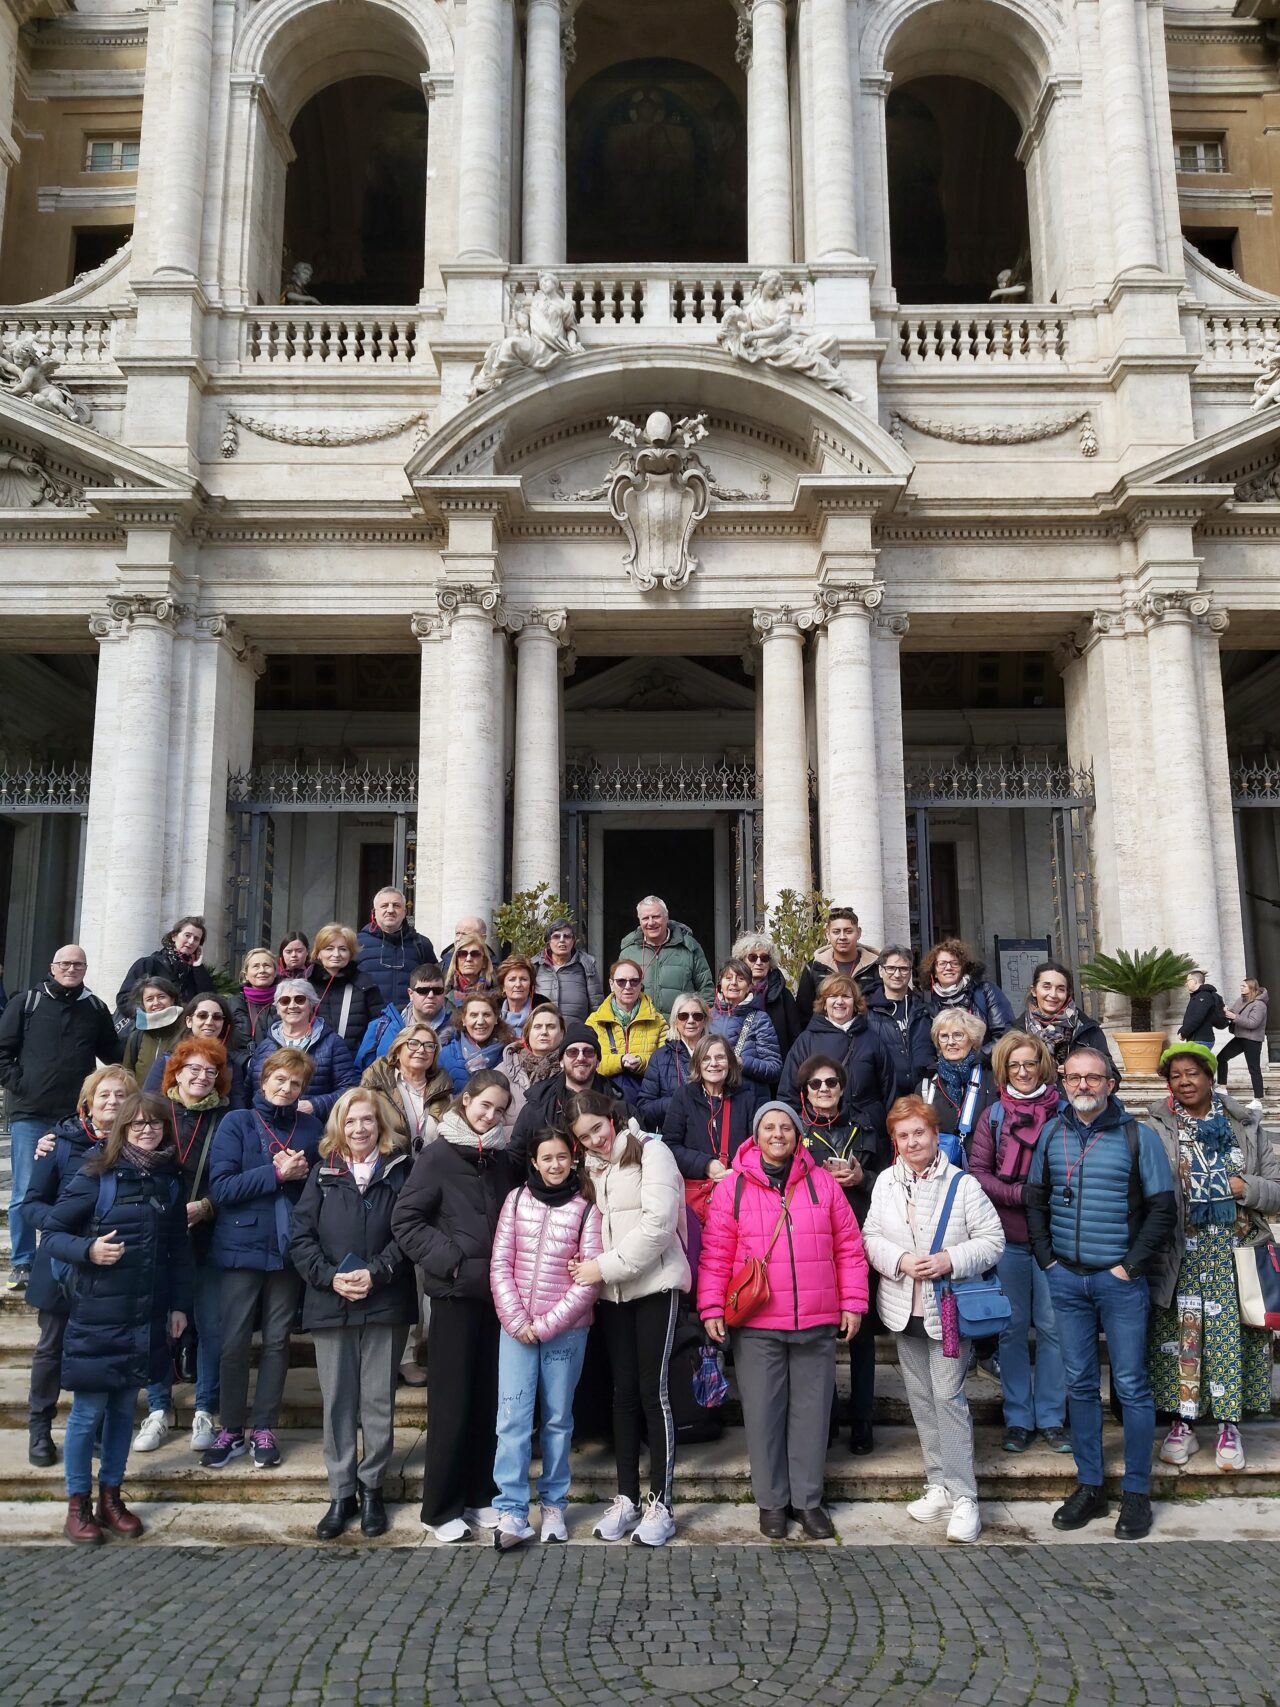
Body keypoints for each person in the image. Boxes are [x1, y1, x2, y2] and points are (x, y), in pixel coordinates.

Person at [1025, 1046, 1178, 1539]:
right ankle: (1089, 1485)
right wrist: (1047, 1260)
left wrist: (1129, 1266)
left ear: (1111, 1083)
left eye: (1094, 1078)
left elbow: (1162, 1209)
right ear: (1063, 1083)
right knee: (1079, 1385)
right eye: (1074, 1078)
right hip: (1065, 1281)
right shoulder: (1051, 1132)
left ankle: (1136, 1493)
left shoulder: (1139, 1136)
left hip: (1119, 1283)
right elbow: (1034, 1201)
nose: (1084, 1086)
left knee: (1131, 1386)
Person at [699, 1099, 868, 1539]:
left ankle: (808, 1501)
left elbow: (849, 1248)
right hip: (757, 1324)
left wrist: (852, 1303)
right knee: (763, 1415)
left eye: (786, 1127)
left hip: (815, 1320)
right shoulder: (732, 1186)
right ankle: (771, 1503)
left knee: (812, 1416)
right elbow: (715, 1254)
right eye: (769, 1127)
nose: (778, 1134)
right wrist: (712, 1307)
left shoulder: (823, 1185)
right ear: (756, 1136)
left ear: (798, 1136)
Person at [40, 1090, 192, 1544]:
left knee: (125, 1410)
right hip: (98, 1313)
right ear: (123, 1128)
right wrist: (88, 1250)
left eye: (156, 1123)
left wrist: (180, 1305)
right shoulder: (96, 1174)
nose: (148, 1130)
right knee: (87, 1414)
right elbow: (51, 1232)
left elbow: (179, 1250)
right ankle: (78, 1503)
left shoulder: (169, 1180)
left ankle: (112, 1496)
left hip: (146, 1312)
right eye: (138, 1123)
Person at [862, 1095, 1005, 1544]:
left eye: (918, 1132)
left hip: (947, 1310)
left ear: (933, 1132)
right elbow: (870, 1236)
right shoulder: (885, 1182)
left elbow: (993, 1240)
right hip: (904, 1307)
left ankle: (966, 1497)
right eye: (902, 1136)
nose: (911, 1142)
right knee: (922, 1400)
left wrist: (948, 1259)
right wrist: (901, 1259)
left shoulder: (962, 1185)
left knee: (949, 1399)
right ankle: (939, 1483)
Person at [391, 1069, 523, 1542]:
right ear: (465, 1101)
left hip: (498, 1298)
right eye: (484, 1105)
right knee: (450, 1403)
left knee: (489, 1398)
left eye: (499, 1110)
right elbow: (406, 1220)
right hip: (454, 1296)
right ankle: (441, 1506)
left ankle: (480, 1495)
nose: (490, 1115)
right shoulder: (439, 1156)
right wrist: (452, 1262)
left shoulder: (503, 1159)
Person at [1146, 1042, 1280, 1474]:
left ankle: (1228, 1427)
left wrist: (1248, 1189)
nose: (1185, 1082)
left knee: (1233, 1341)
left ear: (1210, 1077)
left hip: (1236, 1254)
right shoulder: (1155, 1127)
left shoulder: (1247, 1125)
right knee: (1182, 1340)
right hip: (1182, 1255)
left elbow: (1277, 1187)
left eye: (1193, 1073)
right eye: (1176, 1076)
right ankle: (1183, 1424)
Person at [290, 1087, 417, 1539]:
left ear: (380, 1124)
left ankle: (371, 1490)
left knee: (378, 1401)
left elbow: (408, 1231)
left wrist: (378, 1271)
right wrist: (329, 1277)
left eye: (367, 1120)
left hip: (385, 1299)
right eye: (350, 1121)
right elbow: (300, 1237)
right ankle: (340, 1492)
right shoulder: (323, 1171)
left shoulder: (402, 1169)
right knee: (338, 1401)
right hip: (330, 1301)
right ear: (338, 1126)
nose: (359, 1128)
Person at [566, 1090, 691, 1548]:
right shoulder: (594, 1169)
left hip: (655, 1286)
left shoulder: (652, 1152)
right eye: (584, 1137)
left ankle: (662, 1503)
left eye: (598, 1128)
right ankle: (627, 1497)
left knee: (652, 1391)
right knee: (621, 1396)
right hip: (613, 1295)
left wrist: (605, 1268)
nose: (595, 1140)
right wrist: (591, 1265)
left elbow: (658, 1225)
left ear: (613, 1118)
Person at [203, 1047, 324, 1470]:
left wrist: (301, 1178)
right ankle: (231, 1427)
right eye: (280, 1079)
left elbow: (321, 1192)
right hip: (240, 1247)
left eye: (295, 1083)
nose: (286, 1088)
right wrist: (274, 1174)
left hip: (288, 1250)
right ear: (263, 1078)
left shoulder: (311, 1129)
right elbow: (222, 1189)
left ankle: (265, 1426)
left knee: (277, 1341)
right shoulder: (236, 1122)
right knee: (234, 1341)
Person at [489, 1128, 604, 1548]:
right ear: (534, 1162)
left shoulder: (586, 1209)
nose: (555, 1165)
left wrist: (547, 1324)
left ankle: (553, 1503)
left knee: (557, 1419)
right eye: (546, 1158)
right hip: (516, 1327)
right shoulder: (516, 1201)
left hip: (566, 1330)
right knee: (513, 1419)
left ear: (572, 1160)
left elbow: (588, 1279)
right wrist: (518, 1319)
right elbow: (500, 1262)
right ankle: (513, 1509)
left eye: (562, 1157)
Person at [22, 1064, 137, 1467]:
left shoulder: (137, 1148)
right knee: (51, 1347)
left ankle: (100, 1429)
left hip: (112, 1268)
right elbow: (30, 1204)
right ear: (88, 1102)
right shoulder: (60, 1145)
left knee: (104, 1350)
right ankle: (40, 1426)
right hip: (61, 1265)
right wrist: (68, 1236)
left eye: (121, 1096)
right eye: (104, 1095)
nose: (112, 1102)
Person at [0, 944, 121, 1292]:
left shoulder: (95, 1008)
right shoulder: (26, 1003)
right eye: (65, 963)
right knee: (25, 1190)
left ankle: (58, 1258)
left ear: (85, 968)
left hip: (75, 1118)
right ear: (52, 967)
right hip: (31, 1112)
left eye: (78, 964)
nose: (71, 969)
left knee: (72, 1190)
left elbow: (113, 1053)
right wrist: (20, 1084)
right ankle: (22, 1261)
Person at [134, 1038, 235, 1456]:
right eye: (193, 1068)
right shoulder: (155, 1112)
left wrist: (207, 1205)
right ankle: (158, 1408)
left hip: (209, 1232)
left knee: (210, 1325)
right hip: (160, 1233)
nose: (201, 1076)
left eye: (210, 1071)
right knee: (162, 1322)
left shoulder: (228, 1116)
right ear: (176, 1071)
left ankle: (206, 1409)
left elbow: (233, 1172)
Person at [968, 1032, 1068, 1453]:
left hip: (1056, 1240)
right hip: (1007, 1238)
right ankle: (1018, 1417)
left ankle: (1051, 1416)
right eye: (1014, 1066)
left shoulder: (1063, 1112)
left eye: (1030, 1064)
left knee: (1052, 1330)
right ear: (1003, 1071)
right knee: (1009, 1331)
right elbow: (978, 1172)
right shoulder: (993, 1115)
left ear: (1041, 1066)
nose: (1023, 1072)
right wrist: (1019, 1194)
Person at [791, 1053, 890, 1454]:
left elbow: (887, 1180)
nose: (824, 1090)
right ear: (805, 1092)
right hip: (814, 1247)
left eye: (831, 1083)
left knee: (862, 1338)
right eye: (816, 1085)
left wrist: (861, 1177)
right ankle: (828, 1416)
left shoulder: (865, 1126)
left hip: (858, 1241)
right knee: (821, 1340)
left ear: (842, 1087)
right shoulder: (794, 1133)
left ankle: (862, 1420)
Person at [778, 975, 898, 1146]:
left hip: (868, 1133)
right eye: (833, 996)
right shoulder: (806, 1041)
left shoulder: (872, 1040)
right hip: (821, 1132)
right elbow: (788, 1093)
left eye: (846, 997)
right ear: (823, 1004)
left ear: (855, 1004)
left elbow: (890, 1090)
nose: (839, 1002)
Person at [248, 979, 359, 1120]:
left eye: (300, 1000)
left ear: (311, 1004)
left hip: (316, 1127)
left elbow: (350, 1089)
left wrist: (315, 1106)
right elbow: (251, 1090)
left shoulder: (333, 1043)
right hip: (269, 1128)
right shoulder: (264, 1046)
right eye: (285, 1001)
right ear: (277, 1008)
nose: (292, 1005)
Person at [662, 1034, 758, 1187]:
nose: (713, 1064)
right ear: (698, 1064)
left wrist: (738, 1170)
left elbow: (757, 1146)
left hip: (739, 1186)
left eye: (720, 1057)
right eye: (706, 1058)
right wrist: (705, 1165)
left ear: (730, 1063)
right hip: (698, 1192)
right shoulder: (683, 1096)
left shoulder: (746, 1097)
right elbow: (669, 1146)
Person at [510, 1020, 623, 1147]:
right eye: (572, 1052)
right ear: (561, 1061)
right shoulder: (538, 1105)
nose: (580, 1058)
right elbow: (516, 1155)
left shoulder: (617, 1102)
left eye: (589, 1052)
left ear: (597, 1061)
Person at [1010, 960, 1118, 1082]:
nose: (1053, 994)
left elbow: (1113, 1077)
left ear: (1067, 993)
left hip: (1078, 1099)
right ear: (1034, 991)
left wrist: (1082, 1071)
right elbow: (1002, 1076)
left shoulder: (1087, 1029)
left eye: (1060, 989)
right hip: (1033, 1100)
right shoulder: (1017, 1032)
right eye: (1046, 987)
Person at [917, 1010, 999, 1161]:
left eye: (958, 1035)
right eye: (944, 1036)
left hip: (981, 1169)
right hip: (938, 1172)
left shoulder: (991, 1081)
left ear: (972, 1039)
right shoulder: (926, 1085)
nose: (951, 1042)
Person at [141, 992, 247, 1108]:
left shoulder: (231, 1066)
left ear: (224, 1024)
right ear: (189, 1021)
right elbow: (148, 1105)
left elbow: (237, 1110)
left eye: (216, 1017)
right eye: (202, 1016)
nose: (209, 1022)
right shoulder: (167, 1061)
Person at [587, 959, 668, 1107]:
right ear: (611, 985)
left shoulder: (658, 1021)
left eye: (634, 981)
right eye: (621, 981)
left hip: (647, 1097)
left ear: (640, 984)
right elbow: (587, 1063)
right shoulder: (594, 1021)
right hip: (604, 1098)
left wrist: (641, 1061)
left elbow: (666, 1064)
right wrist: (620, 1061)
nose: (628, 987)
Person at [362, 1023, 451, 1149]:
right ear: (397, 1051)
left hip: (433, 1166)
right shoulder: (375, 1088)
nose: (421, 1050)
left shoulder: (445, 1092)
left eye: (429, 1046)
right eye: (413, 1043)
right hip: (389, 1165)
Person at [619, 895, 713, 1012]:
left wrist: (700, 1019)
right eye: (645, 918)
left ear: (666, 917)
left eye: (656, 917)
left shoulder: (690, 947)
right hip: (640, 1027)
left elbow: (706, 989)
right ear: (639, 920)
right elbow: (618, 993)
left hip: (680, 1027)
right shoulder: (628, 952)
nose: (651, 922)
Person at [919, 938, 1014, 1053]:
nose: (948, 968)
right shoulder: (930, 1008)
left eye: (955, 963)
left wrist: (979, 1058)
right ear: (934, 971)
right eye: (942, 963)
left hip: (986, 1067)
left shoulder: (985, 991)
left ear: (963, 968)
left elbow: (1005, 1035)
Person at [864, 945, 935, 1096]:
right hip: (884, 1095)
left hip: (923, 1093)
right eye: (890, 968)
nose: (897, 974)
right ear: (881, 971)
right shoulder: (866, 1011)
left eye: (903, 969)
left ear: (910, 972)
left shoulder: (924, 1010)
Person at [354, 962, 453, 1069]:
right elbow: (361, 1070)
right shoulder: (382, 1025)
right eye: (423, 991)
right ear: (410, 994)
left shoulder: (456, 1030)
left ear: (444, 993)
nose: (430, 996)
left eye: (437, 990)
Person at [308, 923, 387, 1053]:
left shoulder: (365, 985)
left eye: (343, 949)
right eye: (329, 948)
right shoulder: (305, 984)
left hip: (353, 1063)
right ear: (318, 953)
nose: (336, 954)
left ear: (350, 954)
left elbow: (379, 1028)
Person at [115, 915, 216, 1014]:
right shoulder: (148, 964)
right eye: (187, 935)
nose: (191, 941)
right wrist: (148, 1017)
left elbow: (209, 1001)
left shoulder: (195, 972)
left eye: (196, 939)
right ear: (174, 936)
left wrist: (198, 967)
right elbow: (124, 999)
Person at [796, 907, 880, 1025]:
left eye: (848, 931)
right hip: (825, 1037)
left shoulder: (876, 966)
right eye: (836, 932)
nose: (842, 937)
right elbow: (803, 1013)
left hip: (867, 1035)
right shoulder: (814, 968)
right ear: (827, 934)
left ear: (859, 933)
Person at [356, 888, 437, 1010]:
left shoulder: (421, 944)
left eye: (396, 906)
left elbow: (434, 983)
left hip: (410, 1021)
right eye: (384, 906)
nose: (390, 910)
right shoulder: (357, 943)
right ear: (374, 912)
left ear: (404, 912)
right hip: (369, 1020)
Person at [708, 957, 781, 1091]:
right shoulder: (707, 1017)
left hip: (749, 1096)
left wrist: (742, 1062)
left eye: (740, 979)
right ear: (720, 984)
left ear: (749, 987)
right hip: (714, 1096)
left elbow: (774, 1069)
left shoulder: (760, 1019)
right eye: (728, 978)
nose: (734, 983)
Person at [637, 994, 709, 1128]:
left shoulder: (717, 1052)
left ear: (704, 1020)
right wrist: (675, 1102)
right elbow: (644, 1109)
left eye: (697, 1016)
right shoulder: (659, 1057)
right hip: (674, 1133)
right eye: (683, 1016)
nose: (691, 1020)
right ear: (675, 1021)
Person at [731, 931, 803, 1060]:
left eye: (764, 958)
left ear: (770, 963)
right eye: (753, 957)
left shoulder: (783, 996)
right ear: (742, 961)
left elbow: (795, 1038)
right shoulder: (732, 993)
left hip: (777, 1067)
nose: (759, 962)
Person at [499, 1003, 565, 1124]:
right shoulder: (503, 1072)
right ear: (528, 1034)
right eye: (538, 1027)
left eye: (551, 1026)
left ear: (562, 1034)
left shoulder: (573, 1070)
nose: (544, 1032)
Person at [440, 992, 514, 1092]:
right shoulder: (446, 1055)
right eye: (474, 1015)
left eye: (486, 1015)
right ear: (464, 1020)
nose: (480, 1022)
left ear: (496, 1019)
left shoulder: (509, 1055)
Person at [534, 919, 602, 1024]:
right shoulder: (536, 965)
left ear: (573, 941)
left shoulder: (586, 964)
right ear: (548, 941)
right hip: (543, 1032)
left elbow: (596, 1006)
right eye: (556, 936)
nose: (562, 940)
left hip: (576, 1034)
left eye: (567, 936)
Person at [1217, 979, 1269, 1109]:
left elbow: (1253, 1023)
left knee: (1254, 1069)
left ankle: (1257, 1100)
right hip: (1240, 1037)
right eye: (1241, 985)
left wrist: (1234, 1017)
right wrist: (1227, 1011)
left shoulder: (1259, 1005)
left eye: (1244, 986)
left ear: (1251, 988)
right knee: (1221, 1057)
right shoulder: (1241, 1000)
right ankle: (1222, 1087)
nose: (1241, 988)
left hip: (1252, 1040)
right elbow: (1234, 1012)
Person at [120, 977, 184, 1082]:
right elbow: (128, 1073)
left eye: (161, 997)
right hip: (143, 1097)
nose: (156, 1003)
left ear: (172, 1000)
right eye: (149, 999)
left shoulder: (185, 1032)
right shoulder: (137, 1036)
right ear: (143, 1005)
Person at [227, 947, 278, 1053]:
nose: (262, 970)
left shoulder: (287, 1001)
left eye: (267, 965)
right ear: (246, 974)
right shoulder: (233, 1004)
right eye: (256, 966)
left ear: (275, 972)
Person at [443, 933, 497, 1007]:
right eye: (462, 954)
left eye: (475, 954)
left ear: (484, 962)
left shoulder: (498, 994)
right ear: (456, 961)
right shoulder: (441, 991)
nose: (468, 959)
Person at [1179, 969, 1227, 1048]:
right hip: (1196, 1039)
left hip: (1201, 1040)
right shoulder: (1197, 996)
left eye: (1188, 981)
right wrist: (1182, 1031)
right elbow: (1191, 1017)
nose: (1186, 984)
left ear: (1194, 981)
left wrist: (1183, 1032)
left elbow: (1197, 1018)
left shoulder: (1204, 996)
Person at [496, 955, 538, 1039]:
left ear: (531, 985)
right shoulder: (493, 1015)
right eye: (512, 979)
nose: (518, 984)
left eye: (523, 979)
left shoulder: (540, 1014)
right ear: (503, 987)